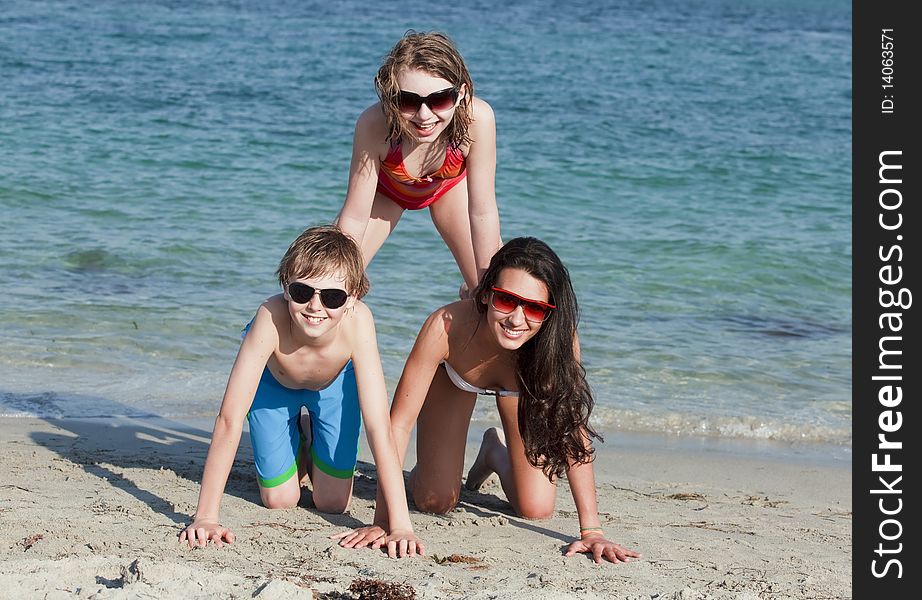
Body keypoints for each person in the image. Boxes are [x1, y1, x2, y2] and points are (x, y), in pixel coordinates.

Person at [334, 237, 641, 564]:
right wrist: (385, 520)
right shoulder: (446, 326)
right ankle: (438, 464)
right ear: (486, 294)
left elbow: (571, 428)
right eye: (507, 301)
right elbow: (398, 425)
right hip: (454, 380)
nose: (517, 319)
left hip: (521, 389)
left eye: (535, 308)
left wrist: (591, 531)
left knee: (536, 508)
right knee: (435, 499)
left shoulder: (558, 340)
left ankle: (494, 452)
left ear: (550, 313)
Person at [179, 225, 423, 558]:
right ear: (285, 288)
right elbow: (229, 417)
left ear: (352, 298)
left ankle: (308, 434)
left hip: (334, 387)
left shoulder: (359, 323)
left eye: (333, 296)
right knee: (280, 500)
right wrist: (206, 517)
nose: (315, 306)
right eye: (302, 292)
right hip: (274, 388)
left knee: (333, 503)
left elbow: (379, 425)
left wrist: (401, 526)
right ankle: (296, 439)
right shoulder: (270, 317)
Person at [335, 30, 501, 298]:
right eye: (408, 101)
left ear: (461, 93)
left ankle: (471, 293)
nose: (424, 116)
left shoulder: (478, 119)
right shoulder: (373, 124)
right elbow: (354, 216)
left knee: (490, 295)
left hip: (448, 190)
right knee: (334, 287)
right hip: (387, 193)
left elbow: (483, 212)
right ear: (391, 96)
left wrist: (487, 281)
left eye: (440, 99)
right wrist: (335, 278)